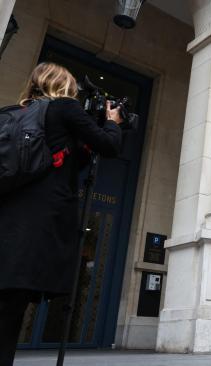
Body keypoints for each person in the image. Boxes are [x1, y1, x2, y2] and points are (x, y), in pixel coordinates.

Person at [0, 62, 123, 366]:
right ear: (64, 86)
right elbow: (108, 145)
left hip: (6, 221)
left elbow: (60, 161)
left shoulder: (9, 114)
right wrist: (112, 122)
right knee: (8, 317)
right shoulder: (65, 108)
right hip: (35, 227)